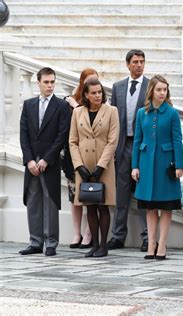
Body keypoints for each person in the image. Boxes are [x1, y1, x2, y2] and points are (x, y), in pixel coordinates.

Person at [19, 67, 71, 256]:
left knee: (50, 201)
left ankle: (50, 243)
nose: (50, 86)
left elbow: (62, 135)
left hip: (50, 162)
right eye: (46, 82)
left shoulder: (62, 106)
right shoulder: (28, 105)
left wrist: (47, 159)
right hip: (32, 162)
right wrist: (30, 160)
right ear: (38, 83)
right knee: (33, 200)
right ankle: (35, 241)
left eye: (52, 82)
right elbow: (23, 135)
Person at [131, 75, 183, 260]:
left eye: (165, 89)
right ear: (151, 91)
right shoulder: (141, 113)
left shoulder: (172, 113)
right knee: (150, 207)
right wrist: (134, 166)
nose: (162, 93)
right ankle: (150, 243)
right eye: (159, 89)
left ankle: (162, 244)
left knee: (166, 207)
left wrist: (179, 165)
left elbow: (177, 140)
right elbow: (137, 140)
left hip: (165, 165)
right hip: (145, 165)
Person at [69, 78, 119, 257]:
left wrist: (100, 167)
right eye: (94, 93)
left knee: (103, 205)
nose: (98, 95)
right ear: (86, 95)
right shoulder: (78, 112)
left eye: (100, 92)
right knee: (89, 206)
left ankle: (103, 245)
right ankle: (95, 245)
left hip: (103, 166)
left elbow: (113, 141)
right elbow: (72, 141)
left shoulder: (112, 111)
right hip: (84, 165)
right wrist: (79, 165)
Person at [109, 49, 150, 251]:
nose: (139, 65)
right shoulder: (118, 87)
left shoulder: (151, 85)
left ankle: (146, 237)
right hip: (123, 144)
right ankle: (118, 236)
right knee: (121, 193)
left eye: (142, 61)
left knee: (143, 192)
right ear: (128, 64)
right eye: (135, 62)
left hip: (143, 146)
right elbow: (113, 119)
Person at [63, 68, 99, 249]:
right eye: (88, 80)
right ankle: (76, 233)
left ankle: (89, 233)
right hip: (73, 155)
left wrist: (76, 107)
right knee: (74, 197)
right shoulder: (70, 101)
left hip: (93, 156)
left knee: (91, 195)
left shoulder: (97, 103)